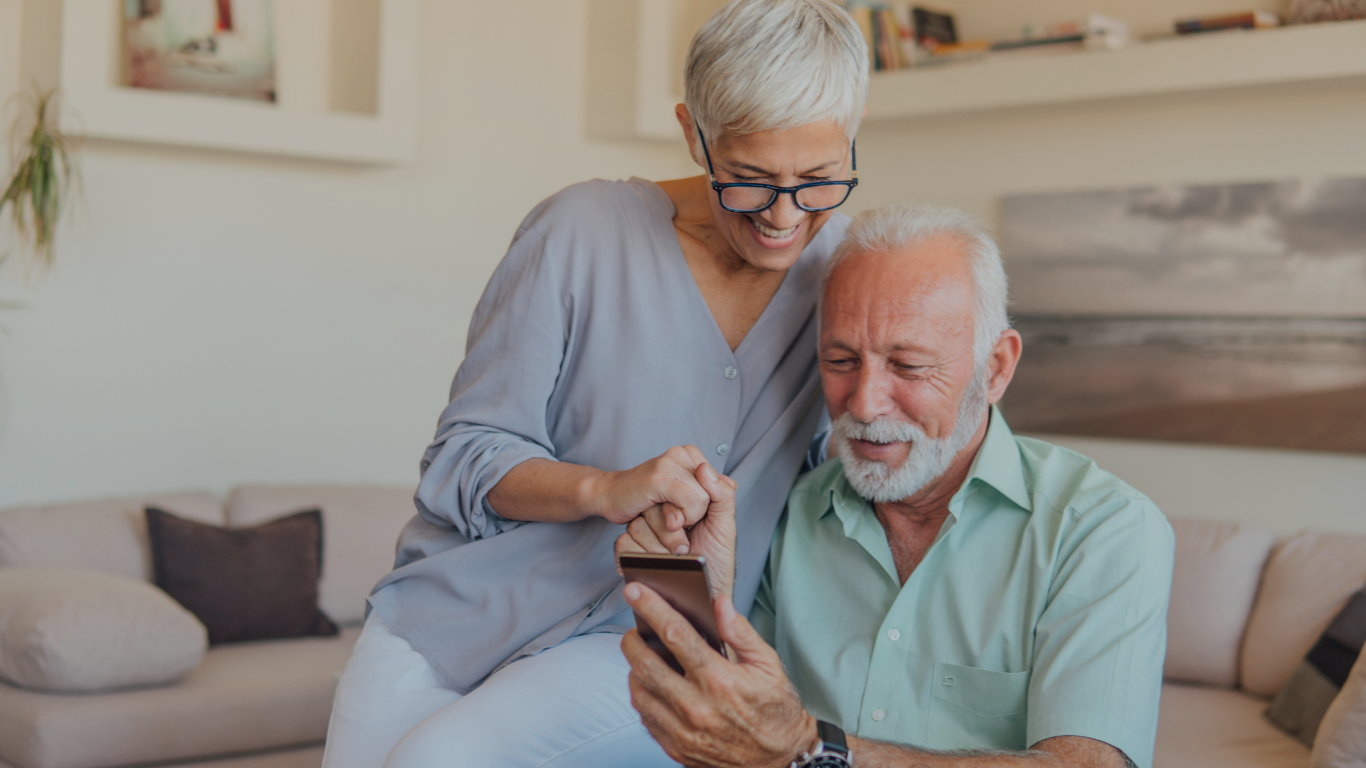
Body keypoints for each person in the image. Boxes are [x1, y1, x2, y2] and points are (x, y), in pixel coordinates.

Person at [320, 2, 870, 766]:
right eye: (748, 180)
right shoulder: (579, 232)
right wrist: (604, 491)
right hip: (454, 615)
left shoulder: (851, 274)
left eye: (817, 180)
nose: (784, 216)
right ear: (693, 134)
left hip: (641, 639)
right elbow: (463, 455)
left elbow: (847, 473)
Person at [617, 204, 1176, 768]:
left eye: (907, 367)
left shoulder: (1104, 529)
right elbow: (733, 731)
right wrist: (705, 598)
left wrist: (813, 753)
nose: (862, 403)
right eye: (840, 360)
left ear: (996, 368)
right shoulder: (791, 508)